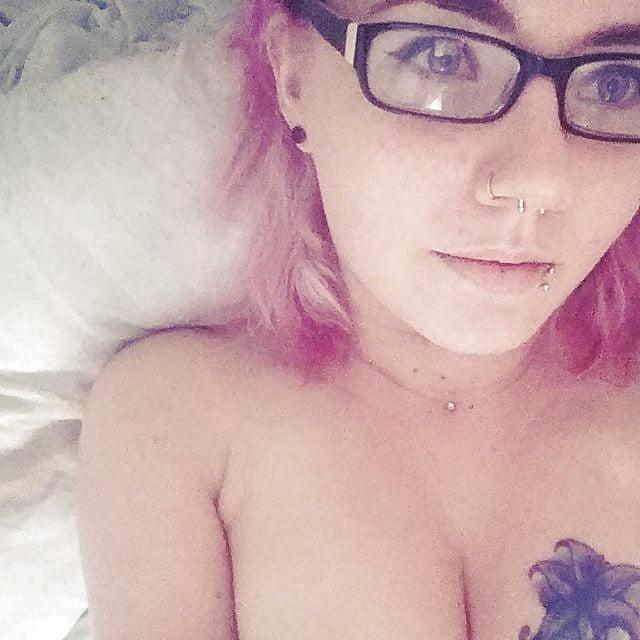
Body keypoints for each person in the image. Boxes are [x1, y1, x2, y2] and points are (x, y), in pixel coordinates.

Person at [75, 0, 640, 638]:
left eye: (618, 83)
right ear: (292, 76)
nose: (540, 183)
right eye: (443, 57)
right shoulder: (178, 417)